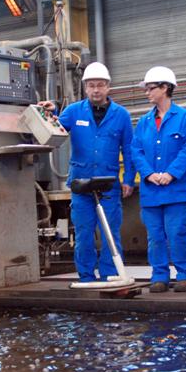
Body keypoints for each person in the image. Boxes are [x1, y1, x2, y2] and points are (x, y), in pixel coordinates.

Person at [38, 62, 135, 283]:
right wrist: (50, 112)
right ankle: (86, 277)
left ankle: (110, 276)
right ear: (85, 87)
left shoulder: (121, 115)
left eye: (100, 85)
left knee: (111, 233)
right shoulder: (73, 111)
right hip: (81, 185)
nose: (96, 90)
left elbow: (129, 150)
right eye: (91, 85)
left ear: (108, 87)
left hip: (108, 185)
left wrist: (128, 179)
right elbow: (55, 130)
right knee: (83, 235)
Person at [131, 66, 186, 293]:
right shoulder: (143, 122)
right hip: (152, 191)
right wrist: (149, 174)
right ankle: (159, 275)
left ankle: (185, 275)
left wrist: (171, 173)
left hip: (176, 190)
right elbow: (136, 150)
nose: (147, 92)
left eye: (151, 88)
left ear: (165, 88)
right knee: (155, 236)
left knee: (177, 232)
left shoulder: (185, 118)